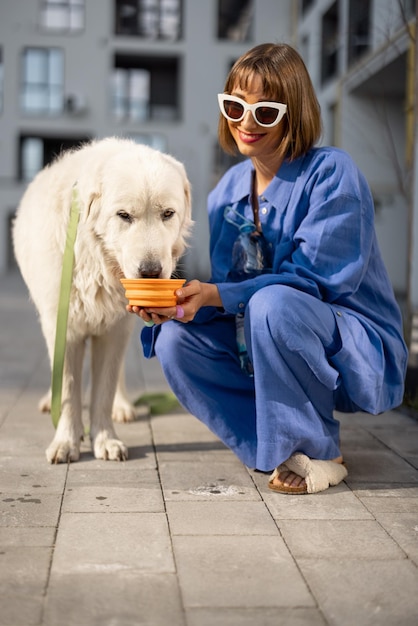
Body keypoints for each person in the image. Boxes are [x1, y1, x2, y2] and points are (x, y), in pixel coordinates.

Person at [128, 42, 408, 494]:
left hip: (353, 346)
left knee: (272, 304)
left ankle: (319, 450)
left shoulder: (333, 174)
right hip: (263, 339)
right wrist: (179, 307)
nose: (245, 122)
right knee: (176, 340)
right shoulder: (226, 193)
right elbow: (228, 298)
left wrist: (218, 294)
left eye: (265, 112)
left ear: (293, 113)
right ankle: (277, 445)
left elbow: (313, 284)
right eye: (235, 106)